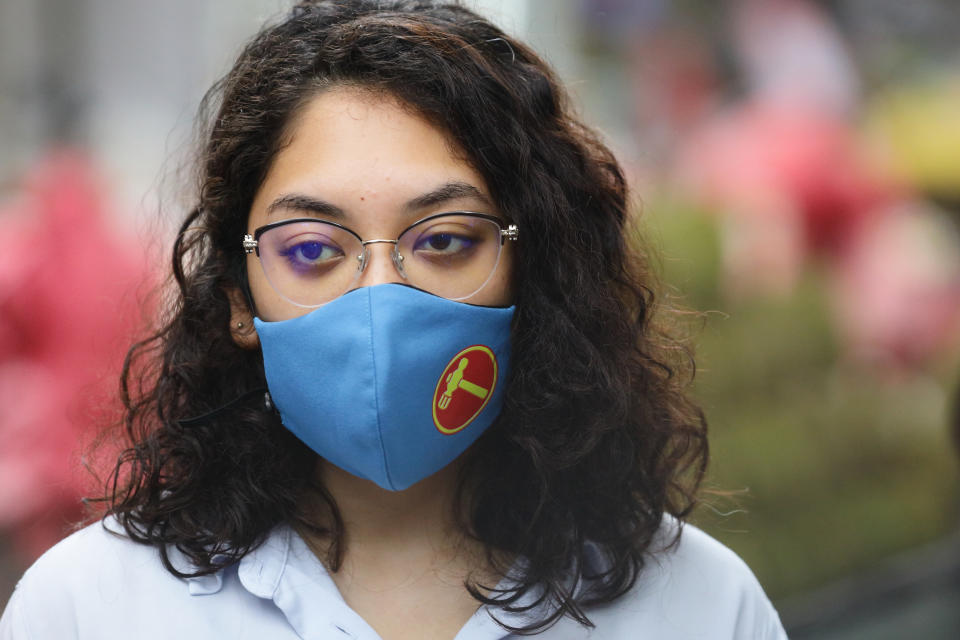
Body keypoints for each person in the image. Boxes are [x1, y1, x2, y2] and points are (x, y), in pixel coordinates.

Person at [0, 1, 787, 638]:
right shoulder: (90, 611)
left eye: (444, 240)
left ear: (531, 268)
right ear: (239, 297)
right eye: (313, 249)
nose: (379, 297)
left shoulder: (699, 608)